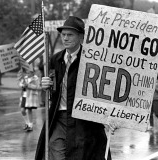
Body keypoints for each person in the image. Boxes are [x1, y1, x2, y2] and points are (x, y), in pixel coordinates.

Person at [35, 16, 111, 160]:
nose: (65, 38)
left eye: (70, 35)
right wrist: (45, 84)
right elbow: (52, 88)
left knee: (80, 154)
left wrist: (109, 117)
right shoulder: (55, 59)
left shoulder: (91, 60)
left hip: (83, 120)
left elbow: (102, 90)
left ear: (81, 36)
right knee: (53, 148)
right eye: (63, 35)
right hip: (59, 117)